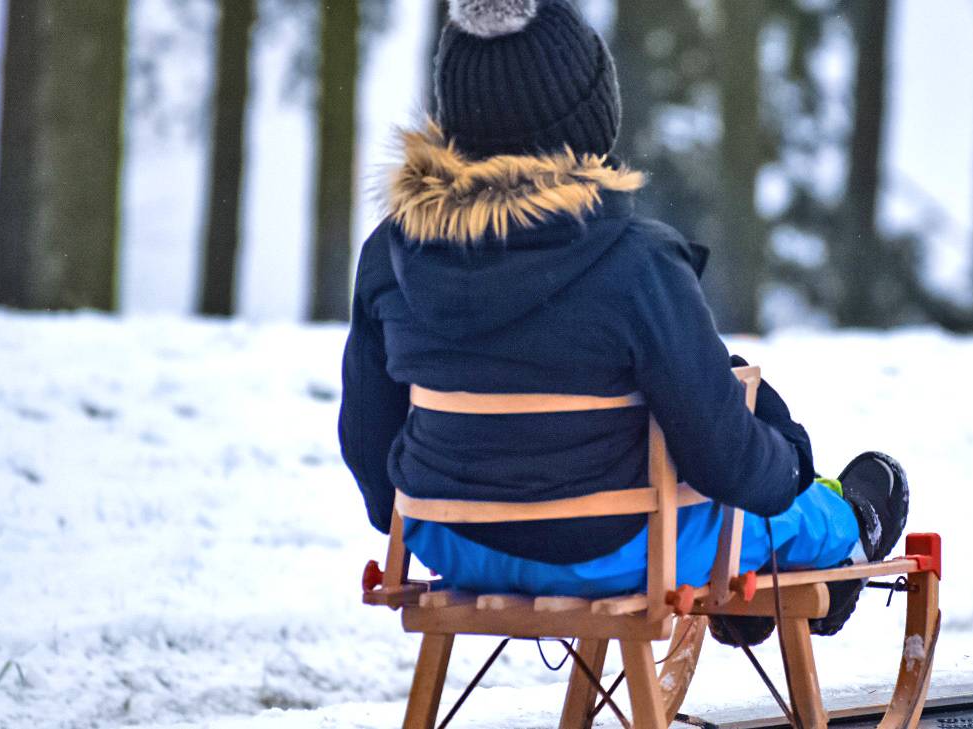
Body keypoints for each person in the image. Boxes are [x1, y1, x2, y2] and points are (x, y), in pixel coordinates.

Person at [337, 0, 908, 646]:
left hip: (455, 543)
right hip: (614, 551)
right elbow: (725, 458)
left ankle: (791, 544)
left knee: (721, 494)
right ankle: (846, 528)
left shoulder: (388, 255)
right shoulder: (637, 263)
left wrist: (419, 511)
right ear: (587, 119)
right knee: (771, 505)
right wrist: (791, 461)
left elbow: (366, 436)